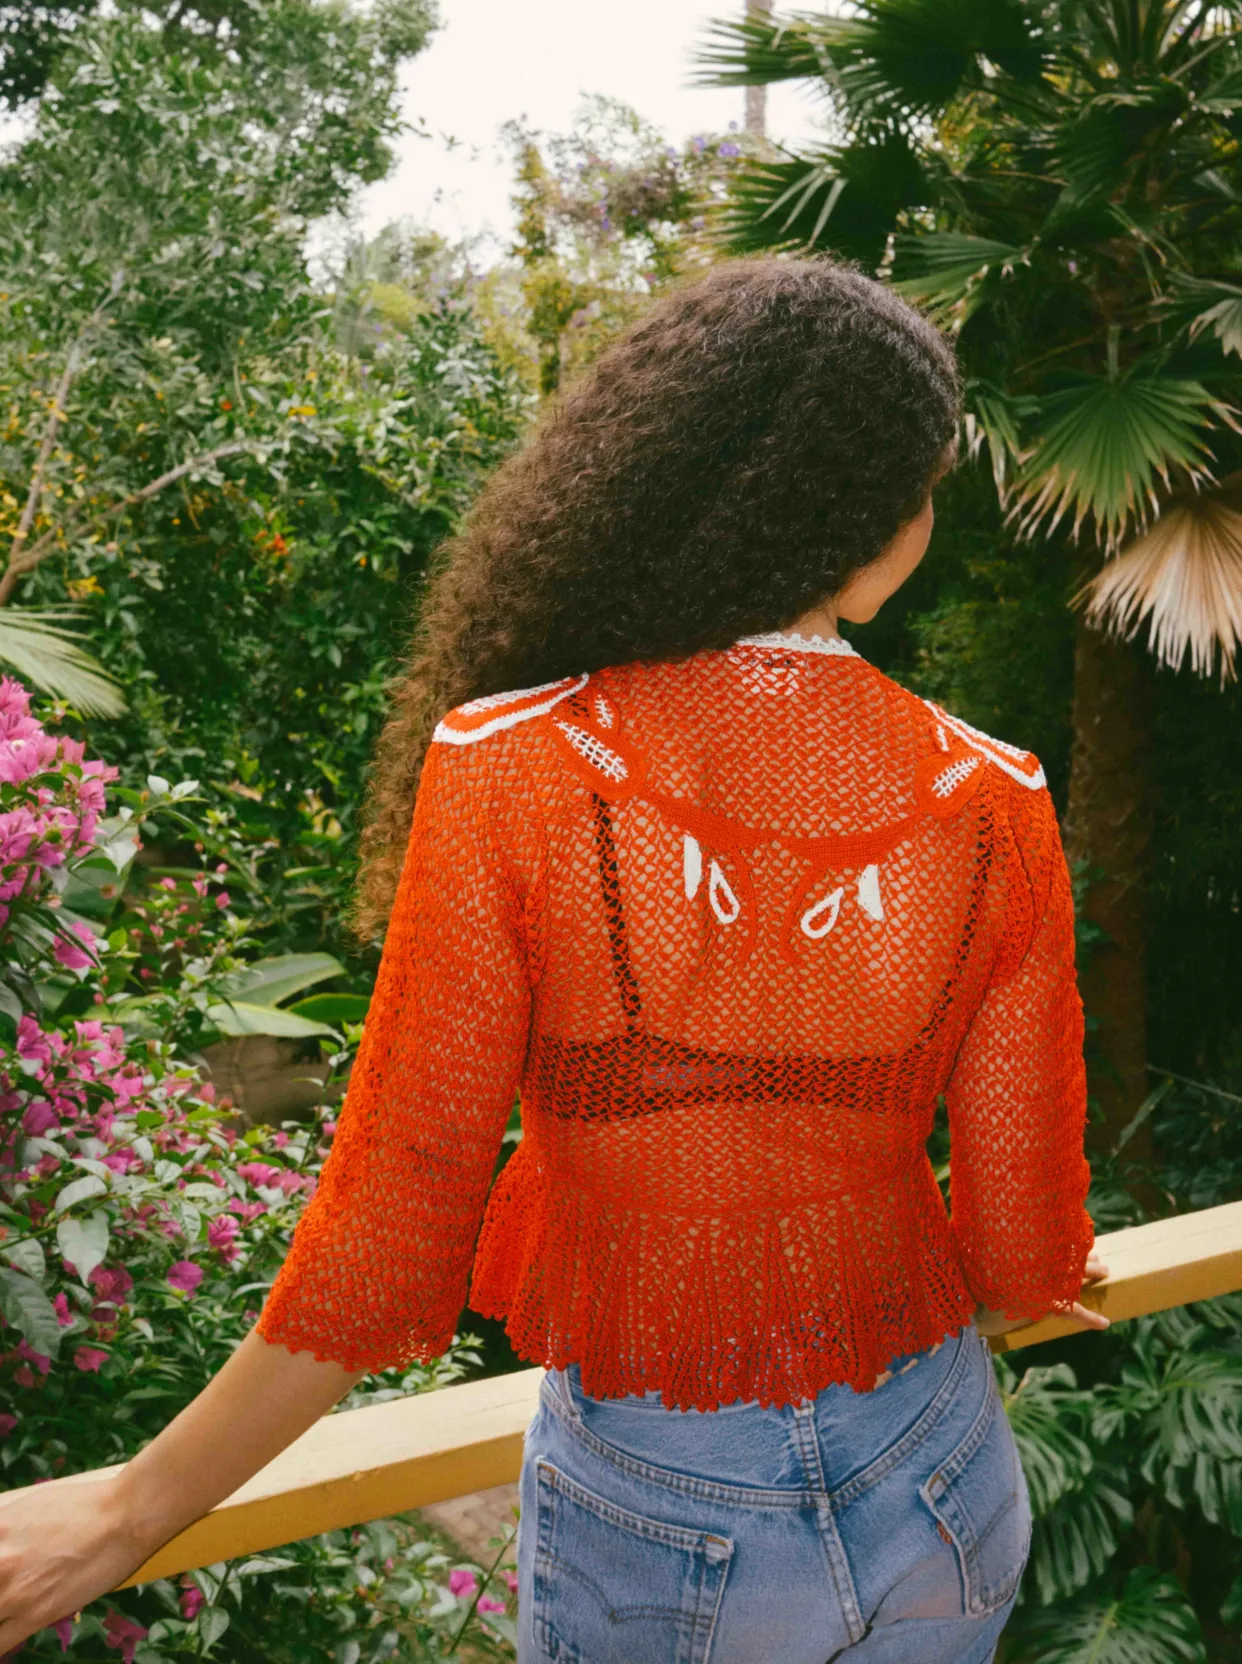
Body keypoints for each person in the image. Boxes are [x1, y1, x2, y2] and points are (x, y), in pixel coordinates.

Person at [0, 258, 1106, 1663]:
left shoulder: (514, 769)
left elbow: (393, 1219)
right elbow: (1022, 1254)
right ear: (857, 505)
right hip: (942, 1471)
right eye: (924, 481)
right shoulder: (991, 798)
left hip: (665, 1507)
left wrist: (126, 1514)